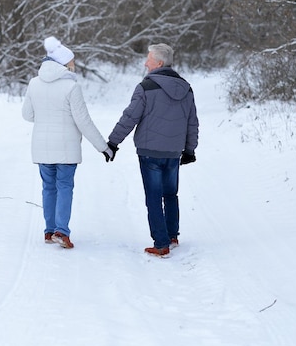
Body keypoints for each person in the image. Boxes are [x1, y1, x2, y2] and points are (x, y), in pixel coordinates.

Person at [107, 43, 199, 257]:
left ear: (158, 63)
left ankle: (161, 243)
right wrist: (189, 150)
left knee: (154, 197)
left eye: (148, 58)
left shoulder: (146, 87)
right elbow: (192, 122)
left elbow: (130, 117)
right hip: (174, 152)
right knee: (170, 194)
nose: (145, 62)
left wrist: (112, 142)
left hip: (149, 152)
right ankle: (172, 235)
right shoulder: (186, 88)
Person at [22, 36, 113, 249]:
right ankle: (61, 232)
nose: (74, 65)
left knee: (48, 188)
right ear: (64, 64)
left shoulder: (34, 83)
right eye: (71, 61)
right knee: (64, 187)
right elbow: (84, 122)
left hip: (42, 147)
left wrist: (45, 117)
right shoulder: (71, 87)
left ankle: (49, 230)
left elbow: (27, 115)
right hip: (66, 148)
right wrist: (103, 147)